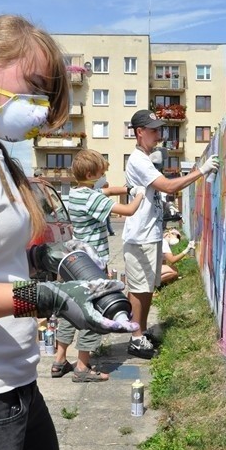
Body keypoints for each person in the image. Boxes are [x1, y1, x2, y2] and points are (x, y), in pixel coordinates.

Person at [0, 14, 132, 450]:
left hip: (15, 382)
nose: (40, 106)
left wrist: (56, 264)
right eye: (35, 86)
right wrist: (43, 297)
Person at [123, 108, 219, 359]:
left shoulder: (146, 158)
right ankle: (135, 338)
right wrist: (201, 171)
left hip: (149, 234)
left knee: (146, 289)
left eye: (160, 130)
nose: (159, 135)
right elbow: (166, 185)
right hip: (139, 236)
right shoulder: (138, 160)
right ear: (139, 132)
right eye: (154, 130)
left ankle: (140, 333)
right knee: (139, 289)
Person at [52, 149, 145, 382]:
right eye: (103, 170)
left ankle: (59, 360)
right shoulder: (93, 198)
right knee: (92, 312)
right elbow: (128, 211)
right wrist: (140, 194)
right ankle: (83, 367)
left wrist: (126, 189)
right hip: (92, 267)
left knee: (68, 309)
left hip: (73, 262)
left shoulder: (75, 193)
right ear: (93, 173)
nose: (105, 174)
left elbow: (106, 191)